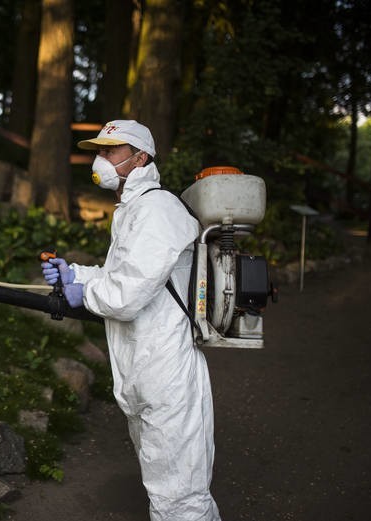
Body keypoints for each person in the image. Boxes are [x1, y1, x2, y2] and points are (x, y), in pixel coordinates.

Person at [41, 120, 221, 521]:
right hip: (142, 371)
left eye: (110, 151)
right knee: (166, 488)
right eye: (99, 151)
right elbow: (119, 274)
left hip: (166, 374)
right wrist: (75, 274)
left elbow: (127, 293)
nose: (100, 159)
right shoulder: (133, 210)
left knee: (180, 500)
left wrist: (83, 293)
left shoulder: (159, 209)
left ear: (140, 157)